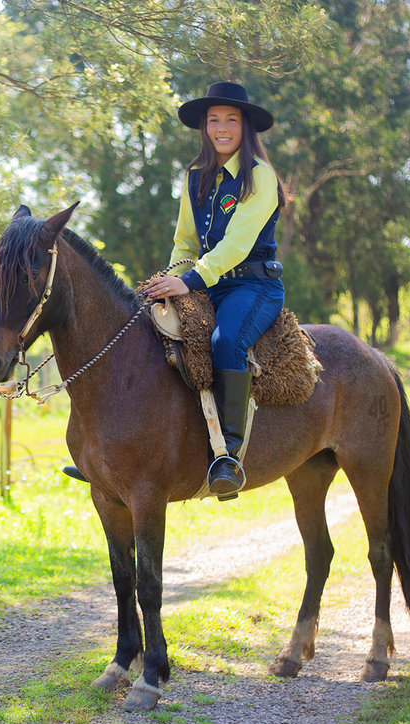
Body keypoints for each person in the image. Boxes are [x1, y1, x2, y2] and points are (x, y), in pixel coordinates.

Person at [142, 82, 288, 499]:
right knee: (146, 329)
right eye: (213, 120)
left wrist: (188, 281)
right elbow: (186, 242)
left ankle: (228, 457)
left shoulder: (259, 176)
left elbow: (237, 244)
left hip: (252, 284)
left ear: (245, 127)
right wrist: (169, 279)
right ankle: (127, 452)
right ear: (204, 128)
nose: (221, 128)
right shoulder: (194, 177)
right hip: (206, 282)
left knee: (226, 341)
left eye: (231, 120)